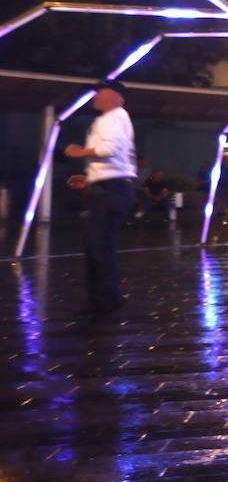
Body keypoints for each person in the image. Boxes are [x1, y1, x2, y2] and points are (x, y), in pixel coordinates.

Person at [63, 79, 138, 317]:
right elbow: (117, 159)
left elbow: (109, 150)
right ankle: (103, 298)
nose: (95, 96)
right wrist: (91, 178)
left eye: (100, 92)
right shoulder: (118, 118)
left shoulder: (112, 117)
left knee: (98, 245)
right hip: (113, 187)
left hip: (110, 190)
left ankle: (106, 300)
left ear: (116, 96)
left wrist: (78, 152)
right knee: (99, 244)